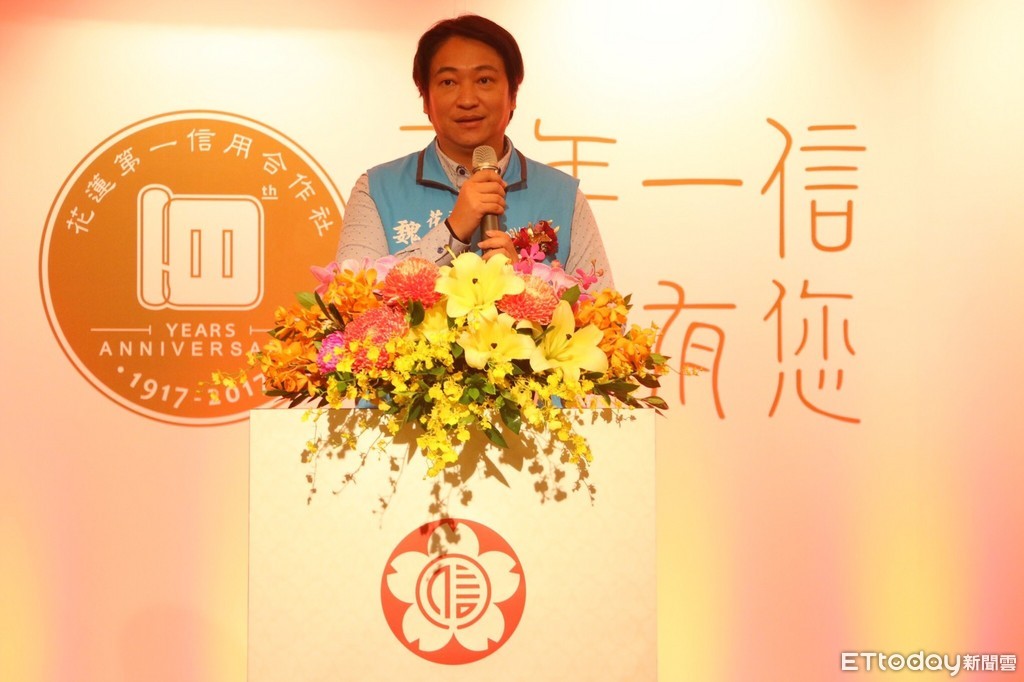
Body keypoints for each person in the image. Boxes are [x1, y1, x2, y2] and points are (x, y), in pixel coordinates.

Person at [336, 14, 614, 290]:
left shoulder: (563, 196)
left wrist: (521, 284)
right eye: (448, 82)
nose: (467, 100)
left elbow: (603, 312)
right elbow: (350, 302)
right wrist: (452, 231)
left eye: (484, 80)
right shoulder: (376, 190)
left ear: (513, 94)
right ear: (425, 98)